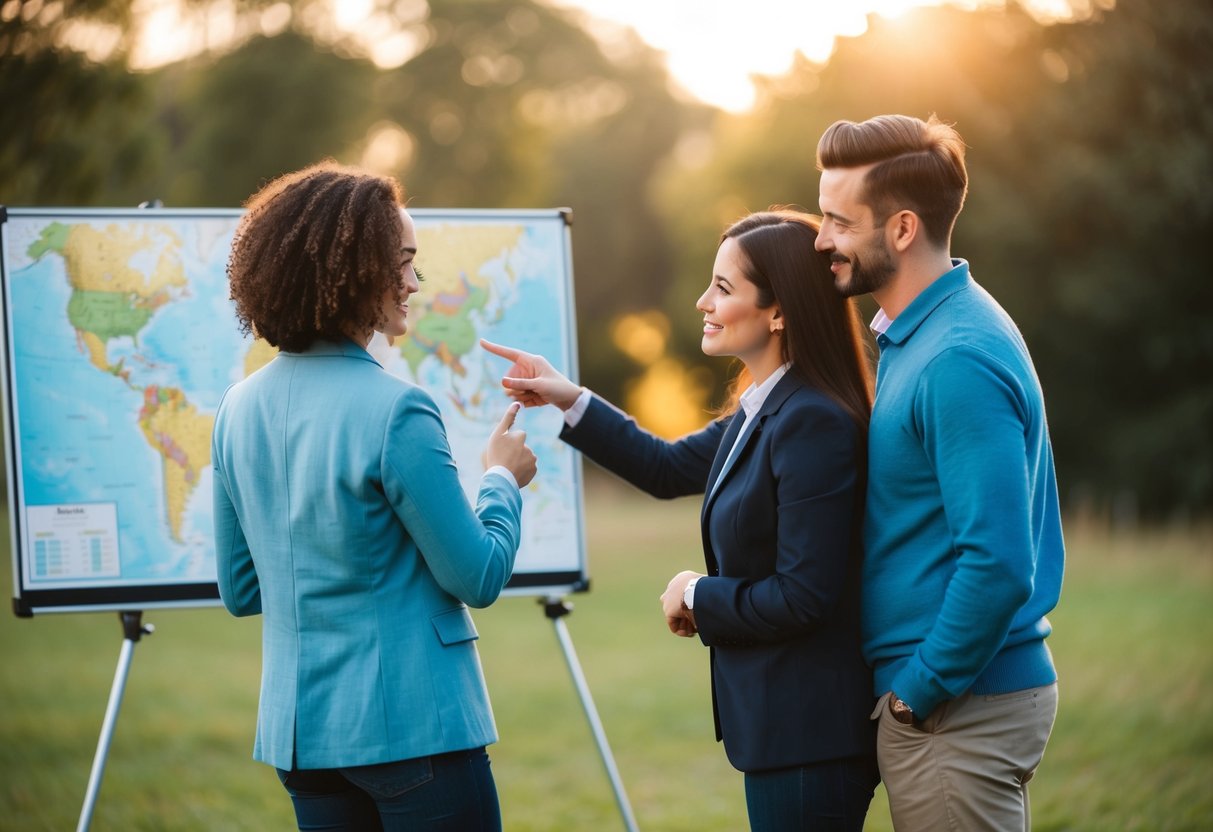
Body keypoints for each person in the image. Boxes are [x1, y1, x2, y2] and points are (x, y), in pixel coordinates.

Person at [482, 209, 879, 831]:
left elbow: (805, 597)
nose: (702, 302)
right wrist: (566, 395)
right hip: (785, 734)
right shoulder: (762, 409)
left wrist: (695, 591)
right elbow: (664, 468)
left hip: (811, 737)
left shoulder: (812, 421)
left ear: (779, 312)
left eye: (723, 288)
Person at [212, 160, 537, 832]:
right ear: (357, 270)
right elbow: (476, 575)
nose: (415, 283)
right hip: (416, 728)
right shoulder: (398, 411)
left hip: (303, 738)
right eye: (404, 262)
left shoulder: (235, 409)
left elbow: (243, 592)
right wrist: (502, 479)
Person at [813, 114, 1064, 831]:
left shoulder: (954, 355)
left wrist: (914, 693)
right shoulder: (922, 332)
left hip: (956, 705)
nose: (821, 239)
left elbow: (995, 563)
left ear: (899, 229)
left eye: (837, 220)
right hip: (953, 699)